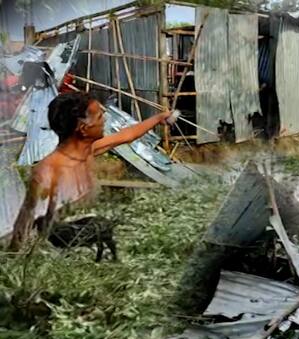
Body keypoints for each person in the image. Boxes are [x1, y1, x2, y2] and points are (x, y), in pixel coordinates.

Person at [9, 92, 177, 250]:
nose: (105, 120)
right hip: (62, 246)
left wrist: (158, 118)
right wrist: (14, 254)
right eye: (99, 117)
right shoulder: (49, 171)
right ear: (83, 128)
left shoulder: (87, 151)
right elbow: (28, 215)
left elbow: (128, 135)